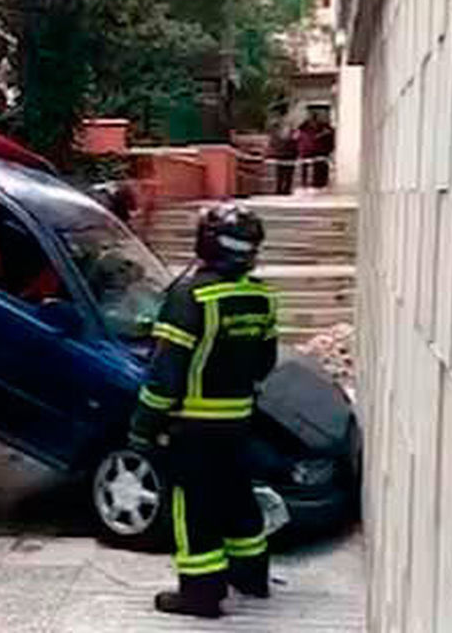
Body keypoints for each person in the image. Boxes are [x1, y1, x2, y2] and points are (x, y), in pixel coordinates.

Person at [128, 203, 279, 619]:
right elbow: (264, 363)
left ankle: (201, 594)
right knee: (238, 496)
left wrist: (143, 426)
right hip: (239, 421)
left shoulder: (190, 296)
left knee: (193, 507)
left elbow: (165, 374)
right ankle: (252, 576)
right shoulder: (260, 297)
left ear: (208, 244)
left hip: (193, 426)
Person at [269, 102, 297, 195]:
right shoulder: (281, 122)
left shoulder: (280, 122)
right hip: (285, 149)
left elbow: (287, 135)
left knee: (284, 170)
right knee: (284, 170)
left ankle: (283, 188)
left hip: (286, 148)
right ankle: (283, 188)